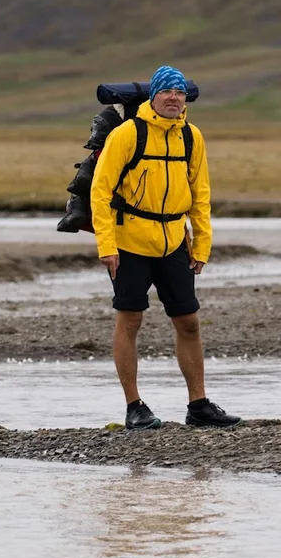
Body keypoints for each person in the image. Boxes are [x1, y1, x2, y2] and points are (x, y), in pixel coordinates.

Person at [90, 64, 242, 430]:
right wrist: (106, 245)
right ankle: (134, 407)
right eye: (166, 92)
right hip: (129, 243)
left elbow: (200, 194)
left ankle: (199, 405)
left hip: (175, 241)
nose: (174, 98)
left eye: (179, 92)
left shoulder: (192, 137)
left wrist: (202, 243)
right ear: (153, 96)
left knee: (188, 321)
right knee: (131, 319)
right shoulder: (128, 134)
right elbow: (101, 190)